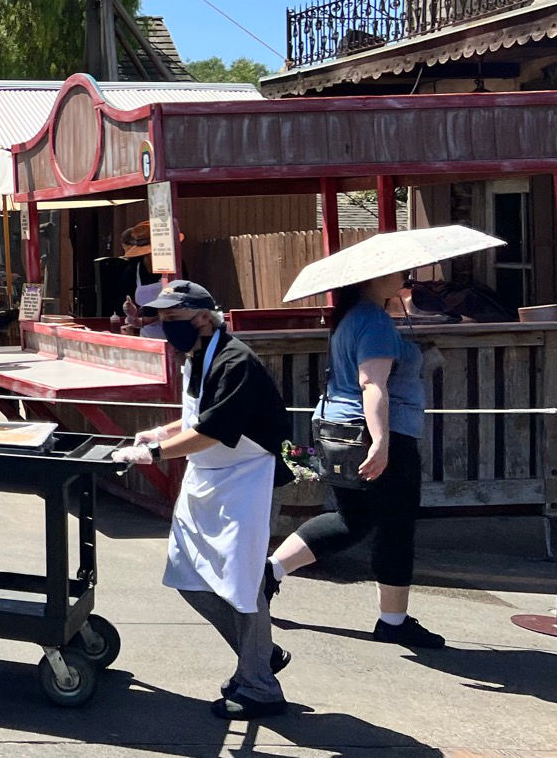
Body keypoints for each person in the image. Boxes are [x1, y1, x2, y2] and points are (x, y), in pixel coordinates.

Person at [109, 281, 293, 720]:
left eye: (173, 320)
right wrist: (163, 432)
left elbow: (213, 430)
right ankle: (260, 654)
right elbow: (198, 417)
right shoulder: (197, 355)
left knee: (240, 586)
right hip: (207, 476)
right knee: (188, 576)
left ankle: (259, 686)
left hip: (246, 481)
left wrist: (151, 453)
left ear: (204, 317)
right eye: (162, 319)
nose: (165, 328)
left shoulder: (236, 361)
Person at [268, 270, 444, 649]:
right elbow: (372, 383)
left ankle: (270, 572)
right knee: (395, 526)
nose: (405, 277)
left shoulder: (351, 317)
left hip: (338, 430)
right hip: (380, 432)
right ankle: (393, 622)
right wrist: (381, 442)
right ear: (374, 277)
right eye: (399, 273)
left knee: (353, 519)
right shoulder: (375, 321)